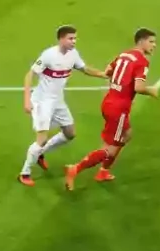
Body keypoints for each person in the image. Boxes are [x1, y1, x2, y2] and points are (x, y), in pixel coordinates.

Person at [67, 27, 159, 189]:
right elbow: (138, 87)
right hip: (119, 109)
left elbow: (108, 72)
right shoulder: (142, 61)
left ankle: (103, 171)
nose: (154, 45)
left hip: (109, 101)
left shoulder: (124, 55)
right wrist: (151, 90)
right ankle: (75, 169)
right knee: (109, 148)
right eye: (151, 42)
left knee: (126, 134)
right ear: (141, 41)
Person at [19, 25, 103, 187]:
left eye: (75, 38)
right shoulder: (48, 55)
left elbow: (84, 68)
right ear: (61, 39)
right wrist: (27, 100)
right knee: (41, 139)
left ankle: (40, 154)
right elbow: (29, 75)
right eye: (71, 38)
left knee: (70, 133)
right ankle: (25, 173)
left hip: (58, 101)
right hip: (42, 101)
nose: (74, 41)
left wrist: (102, 74)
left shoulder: (73, 54)